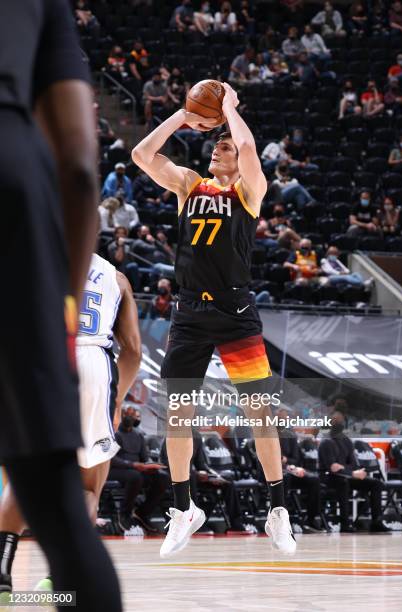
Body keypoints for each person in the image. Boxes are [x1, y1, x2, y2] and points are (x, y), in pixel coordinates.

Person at [132, 83, 296, 558]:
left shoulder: (249, 189)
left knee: (258, 414)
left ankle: (278, 510)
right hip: (189, 312)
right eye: (216, 143)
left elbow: (246, 147)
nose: (221, 144)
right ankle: (185, 510)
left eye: (225, 142)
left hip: (236, 311)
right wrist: (183, 117)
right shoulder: (188, 184)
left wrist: (229, 109)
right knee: (177, 414)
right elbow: (144, 154)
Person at [0, 2, 122, 610]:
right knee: (69, 501)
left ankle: (3, 575)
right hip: (77, 345)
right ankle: (57, 591)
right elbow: (79, 168)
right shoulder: (115, 276)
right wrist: (63, 317)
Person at [0, 253, 141, 595]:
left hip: (43, 362)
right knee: (88, 486)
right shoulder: (117, 278)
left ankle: (2, 571)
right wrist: (117, 398)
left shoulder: (34, 258)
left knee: (26, 477)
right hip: (94, 368)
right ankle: (59, 578)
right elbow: (133, 349)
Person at [319, 410, 390, 532]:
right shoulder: (326, 441)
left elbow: (353, 463)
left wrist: (349, 471)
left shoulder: (346, 441)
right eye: (335, 420)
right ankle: (345, 524)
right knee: (343, 482)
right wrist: (351, 472)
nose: (338, 423)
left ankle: (376, 521)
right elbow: (331, 467)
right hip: (329, 478)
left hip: (347, 475)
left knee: (376, 483)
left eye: (340, 420)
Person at [109, 414, 170, 532]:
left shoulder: (139, 436)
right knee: (135, 477)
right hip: (115, 470)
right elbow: (111, 458)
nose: (132, 418)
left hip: (136, 469)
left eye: (135, 416)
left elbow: (145, 458)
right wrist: (132, 465)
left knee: (163, 477)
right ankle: (124, 515)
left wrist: (150, 465)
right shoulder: (112, 433)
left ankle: (142, 513)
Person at [277, 407, 323, 532]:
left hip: (289, 471)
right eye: (279, 417)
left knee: (313, 479)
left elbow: (296, 459)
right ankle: (282, 522)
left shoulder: (290, 436)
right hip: (273, 473)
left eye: (285, 418)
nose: (282, 420)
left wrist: (289, 464)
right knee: (284, 478)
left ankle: (312, 519)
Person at [107, 226, 140, 292]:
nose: (120, 235)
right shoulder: (111, 246)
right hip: (118, 270)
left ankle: (137, 289)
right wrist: (120, 245)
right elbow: (118, 260)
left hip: (128, 270)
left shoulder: (128, 246)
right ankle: (137, 290)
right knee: (133, 266)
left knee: (135, 267)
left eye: (123, 233)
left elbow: (132, 259)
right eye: (118, 233)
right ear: (115, 234)